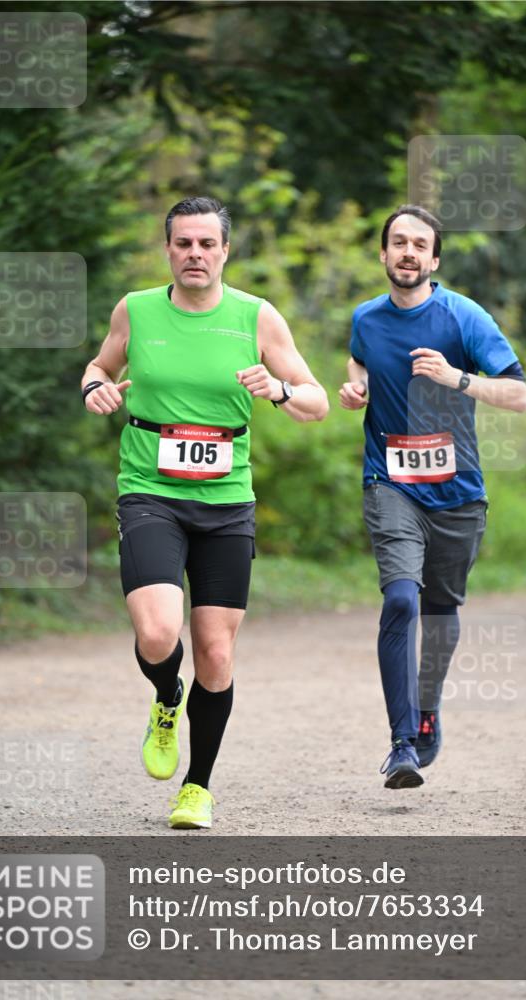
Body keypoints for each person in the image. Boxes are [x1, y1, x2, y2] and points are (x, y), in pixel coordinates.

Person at [81, 196, 328, 828]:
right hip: (150, 491)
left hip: (225, 502)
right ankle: (167, 697)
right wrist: (95, 389)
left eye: (206, 244)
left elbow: (317, 401)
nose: (195, 254)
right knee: (160, 633)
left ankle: (197, 786)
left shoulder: (257, 317)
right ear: (168, 249)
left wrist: (278, 391)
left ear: (224, 251)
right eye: (183, 243)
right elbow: (99, 365)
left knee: (215, 653)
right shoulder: (135, 310)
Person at [339, 204, 526, 789]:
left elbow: (519, 395)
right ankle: (401, 743)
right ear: (383, 254)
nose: (408, 252)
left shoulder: (463, 317)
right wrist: (356, 386)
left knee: (442, 609)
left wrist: (457, 379)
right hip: (391, 484)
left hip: (459, 496)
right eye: (398, 242)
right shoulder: (366, 319)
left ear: (434, 259)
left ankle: (427, 708)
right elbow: (360, 361)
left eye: (419, 244)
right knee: (401, 599)